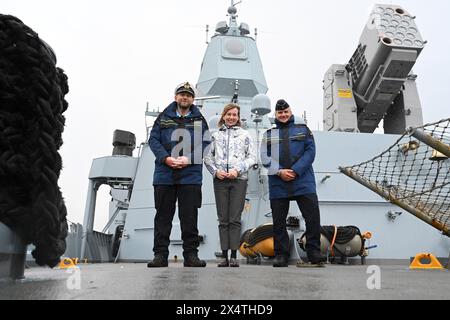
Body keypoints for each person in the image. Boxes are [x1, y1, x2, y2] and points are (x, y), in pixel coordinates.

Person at [147, 82, 210, 268]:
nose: (185, 97)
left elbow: (206, 143)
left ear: (193, 99)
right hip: (165, 175)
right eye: (182, 94)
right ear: (176, 97)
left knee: (189, 217)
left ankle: (191, 256)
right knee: (163, 217)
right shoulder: (164, 117)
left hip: (190, 175)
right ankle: (160, 256)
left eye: (188, 95)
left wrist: (188, 159)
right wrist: (165, 158)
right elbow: (154, 139)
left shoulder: (199, 120)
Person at [261, 99, 326, 267]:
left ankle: (313, 252)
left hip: (303, 180)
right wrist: (280, 171)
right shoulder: (268, 134)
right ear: (275, 115)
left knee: (312, 218)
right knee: (278, 221)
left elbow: (310, 152)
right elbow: (264, 157)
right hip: (278, 182)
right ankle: (281, 255)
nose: (283, 115)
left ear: (290, 112)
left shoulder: (303, 130)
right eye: (280, 113)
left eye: (286, 112)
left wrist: (296, 170)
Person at [204, 104, 256, 267]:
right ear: (223, 116)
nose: (232, 117)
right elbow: (207, 158)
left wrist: (237, 170)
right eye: (229, 114)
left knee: (235, 219)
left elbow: (252, 157)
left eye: (235, 115)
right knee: (223, 219)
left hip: (238, 180)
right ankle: (224, 256)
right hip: (220, 180)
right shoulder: (215, 136)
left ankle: (234, 255)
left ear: (238, 117)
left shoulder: (245, 135)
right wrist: (215, 172)